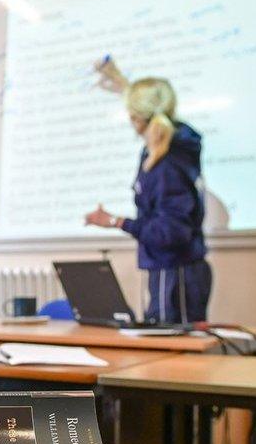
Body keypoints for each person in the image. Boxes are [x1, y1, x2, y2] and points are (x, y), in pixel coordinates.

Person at [84, 59, 212, 323]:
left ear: (136, 116)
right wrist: (119, 81)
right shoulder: (171, 149)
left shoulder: (166, 164)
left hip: (174, 273)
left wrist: (116, 222)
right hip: (171, 270)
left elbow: (170, 232)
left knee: (172, 355)